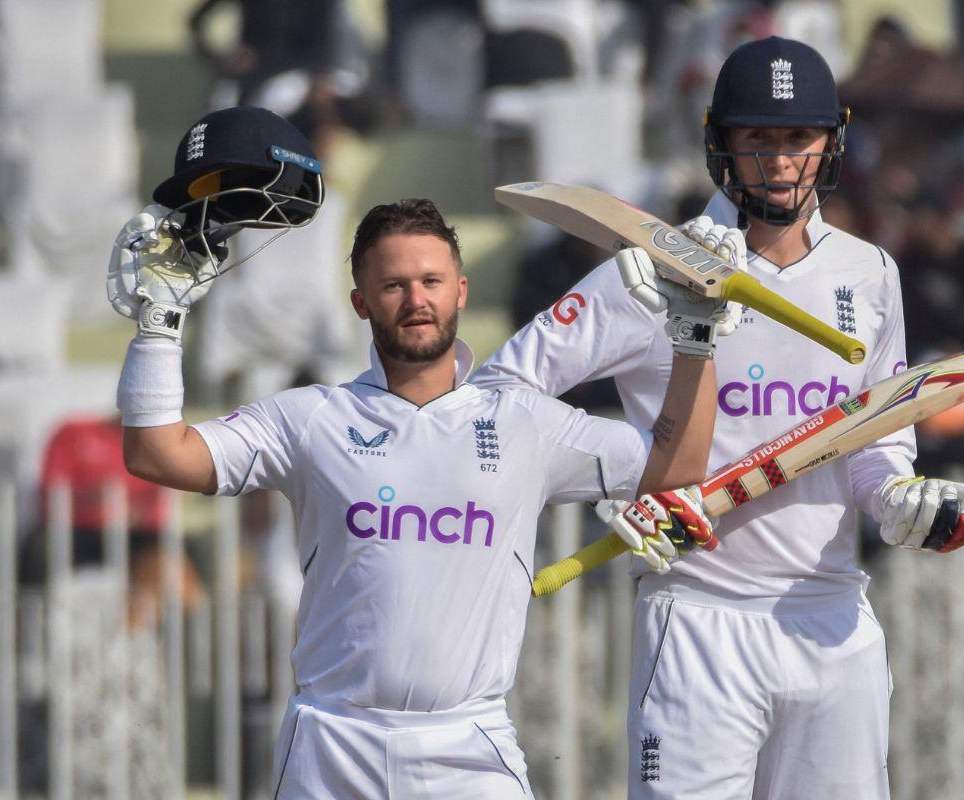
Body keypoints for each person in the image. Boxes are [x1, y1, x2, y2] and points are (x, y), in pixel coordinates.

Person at [106, 110, 731, 794]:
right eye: (394, 285)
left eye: (432, 282)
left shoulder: (523, 421)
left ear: (461, 292)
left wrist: (695, 340)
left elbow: (677, 468)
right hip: (331, 741)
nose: (416, 300)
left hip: (470, 742)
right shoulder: (313, 418)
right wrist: (159, 325)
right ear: (360, 302)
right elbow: (158, 455)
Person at [474, 36, 964, 798]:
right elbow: (496, 398)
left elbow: (873, 439)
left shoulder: (871, 272)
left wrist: (897, 502)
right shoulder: (650, 271)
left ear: (833, 141)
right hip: (698, 616)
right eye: (759, 138)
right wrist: (623, 470)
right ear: (721, 144)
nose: (781, 160)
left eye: (799, 138)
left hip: (833, 618)